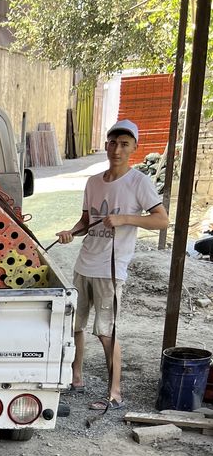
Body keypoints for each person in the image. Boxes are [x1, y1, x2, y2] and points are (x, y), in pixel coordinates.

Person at [57, 120, 168, 410]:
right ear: (106, 144)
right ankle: (75, 378)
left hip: (111, 269)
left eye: (124, 144)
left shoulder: (138, 182)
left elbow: (161, 220)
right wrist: (71, 233)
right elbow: (85, 222)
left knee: (107, 332)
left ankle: (114, 393)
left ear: (134, 148)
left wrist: (126, 218)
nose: (116, 149)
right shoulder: (93, 182)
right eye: (112, 143)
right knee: (75, 326)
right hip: (85, 264)